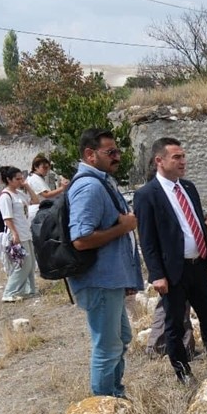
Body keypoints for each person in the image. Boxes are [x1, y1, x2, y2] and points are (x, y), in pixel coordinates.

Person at [134, 137, 207, 383]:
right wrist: (156, 274)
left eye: (183, 156)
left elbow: (200, 227)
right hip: (173, 272)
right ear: (159, 161)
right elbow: (147, 239)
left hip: (198, 265)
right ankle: (183, 373)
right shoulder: (147, 195)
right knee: (175, 324)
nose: (183, 161)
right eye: (177, 157)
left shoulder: (189, 188)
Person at [67, 128, 142, 399]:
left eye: (118, 151)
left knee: (120, 339)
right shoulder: (89, 187)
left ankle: (116, 396)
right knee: (107, 347)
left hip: (111, 279)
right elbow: (81, 239)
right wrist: (123, 228)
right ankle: (104, 407)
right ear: (90, 154)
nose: (117, 157)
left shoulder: (101, 182)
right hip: (100, 280)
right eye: (110, 152)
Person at [0, 165, 38, 302]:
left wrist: (28, 187)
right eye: (17, 179)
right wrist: (15, 234)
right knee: (23, 264)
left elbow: (35, 201)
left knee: (30, 264)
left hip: (26, 232)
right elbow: (7, 217)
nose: (21, 181)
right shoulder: (5, 196)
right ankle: (10, 292)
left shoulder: (19, 194)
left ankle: (28, 290)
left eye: (22, 178)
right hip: (17, 234)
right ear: (9, 180)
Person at [25, 153, 68, 221]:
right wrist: (62, 188)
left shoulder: (37, 178)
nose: (46, 170)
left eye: (47, 168)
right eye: (44, 168)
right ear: (36, 167)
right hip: (38, 211)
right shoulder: (34, 179)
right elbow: (46, 194)